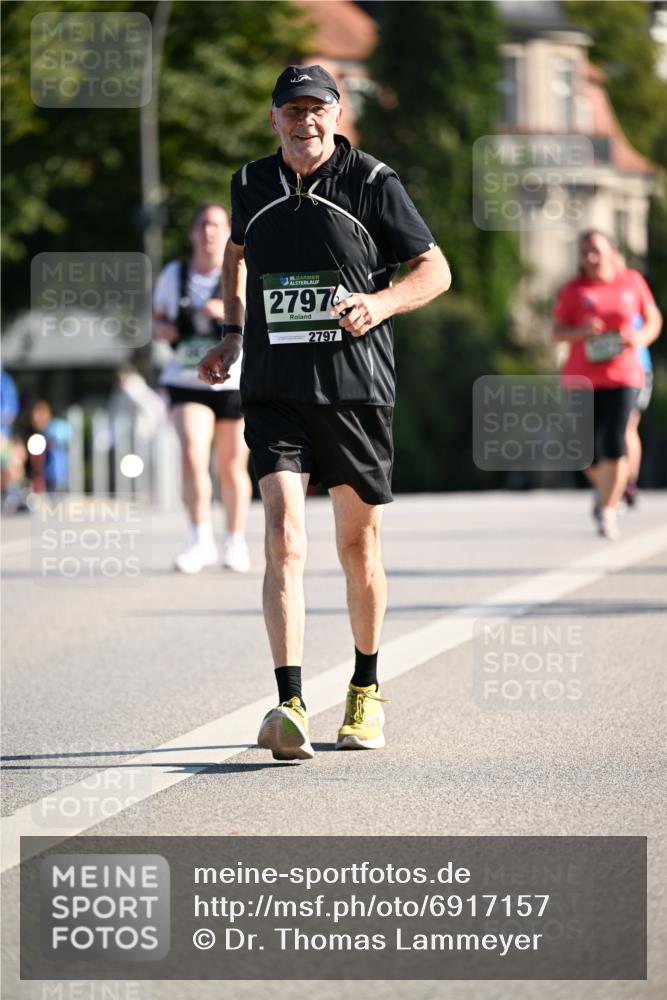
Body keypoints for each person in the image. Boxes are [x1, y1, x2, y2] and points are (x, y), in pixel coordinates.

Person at [198, 65, 451, 760]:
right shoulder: (250, 182)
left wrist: (381, 302)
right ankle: (288, 702)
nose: (303, 120)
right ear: (273, 117)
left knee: (355, 547)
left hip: (354, 390)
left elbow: (435, 270)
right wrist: (230, 329)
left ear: (336, 115)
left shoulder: (372, 183)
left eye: (316, 108)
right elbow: (238, 251)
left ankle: (365, 690)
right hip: (275, 390)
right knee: (281, 534)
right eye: (291, 109)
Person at [153, 203, 253, 573]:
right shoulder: (173, 274)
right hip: (186, 378)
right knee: (193, 453)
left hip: (234, 380)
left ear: (228, 232)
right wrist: (163, 329)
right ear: (193, 232)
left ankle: (235, 540)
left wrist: (222, 312)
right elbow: (157, 317)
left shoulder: (241, 271)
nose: (209, 232)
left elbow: (259, 318)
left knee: (230, 466)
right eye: (203, 225)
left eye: (216, 225)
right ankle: (199, 537)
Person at [552, 230, 662, 539]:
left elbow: (653, 319)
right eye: (584, 252)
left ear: (612, 251)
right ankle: (609, 489)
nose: (590, 257)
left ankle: (609, 509)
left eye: (596, 250)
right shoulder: (574, 290)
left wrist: (639, 339)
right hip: (581, 378)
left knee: (616, 438)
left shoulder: (632, 282)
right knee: (583, 453)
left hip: (624, 373)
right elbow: (556, 331)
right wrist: (581, 332)